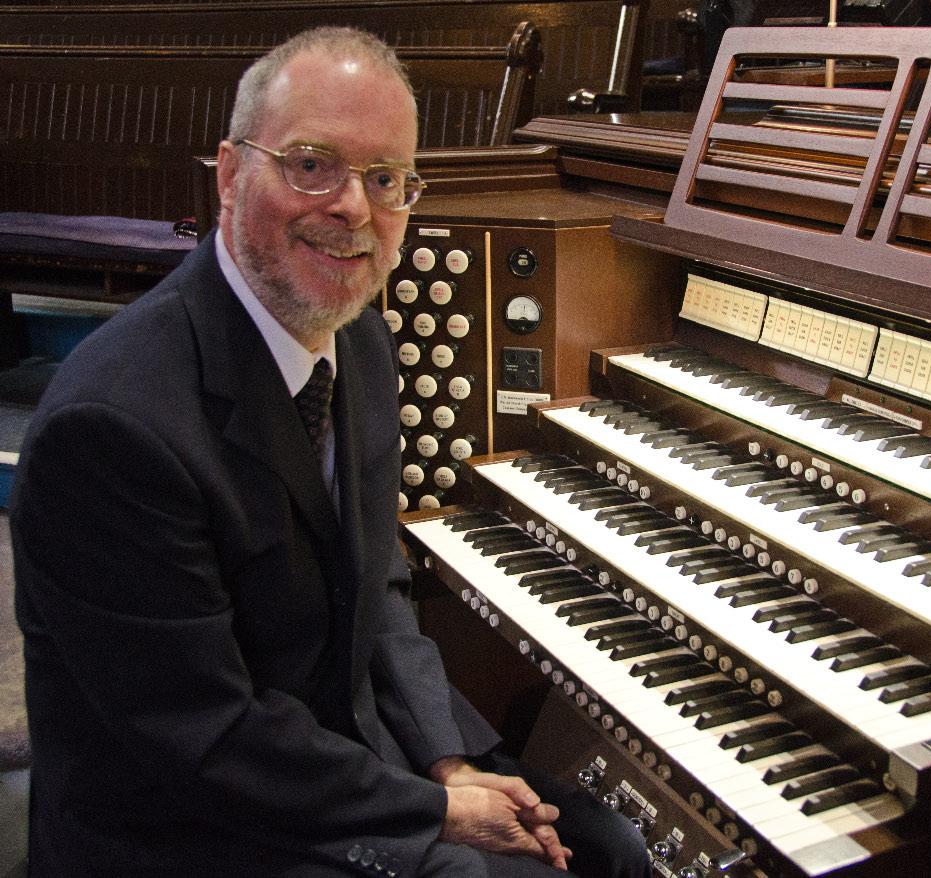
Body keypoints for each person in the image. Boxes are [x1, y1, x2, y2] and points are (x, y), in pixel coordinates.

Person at [11, 27, 650, 878]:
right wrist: (435, 812)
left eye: (385, 179)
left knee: (610, 847)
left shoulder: (360, 345)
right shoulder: (113, 430)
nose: (354, 207)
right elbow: (205, 736)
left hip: (322, 748)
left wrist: (446, 756)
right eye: (312, 164)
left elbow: (376, 580)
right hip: (176, 821)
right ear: (233, 174)